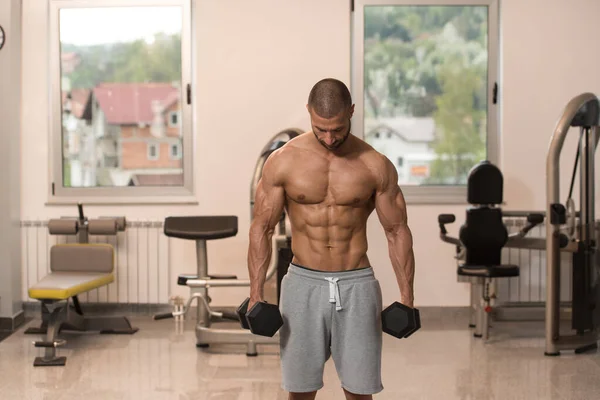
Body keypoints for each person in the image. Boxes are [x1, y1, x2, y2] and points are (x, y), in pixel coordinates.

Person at [247, 78, 415, 400]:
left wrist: (407, 297)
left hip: (357, 283)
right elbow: (262, 228)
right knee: (300, 391)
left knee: (359, 391)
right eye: (320, 128)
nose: (329, 137)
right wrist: (255, 293)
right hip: (302, 284)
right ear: (309, 112)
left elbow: (396, 231)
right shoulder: (283, 161)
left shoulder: (374, 164)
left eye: (337, 129)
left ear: (352, 112)